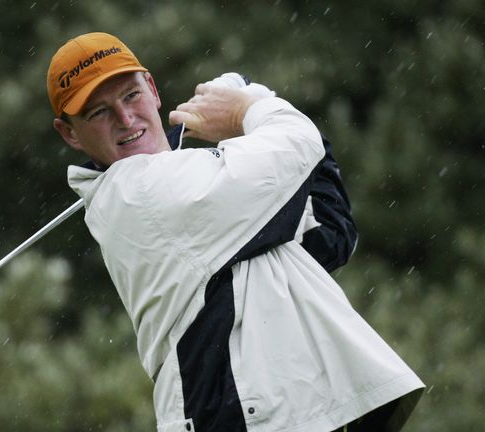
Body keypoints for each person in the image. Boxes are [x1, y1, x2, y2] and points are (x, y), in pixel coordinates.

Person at [46, 32, 423, 432]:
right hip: (239, 417)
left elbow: (329, 232)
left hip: (292, 414)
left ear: (153, 90)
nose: (125, 119)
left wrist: (249, 105)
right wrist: (248, 107)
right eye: (98, 113)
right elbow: (298, 146)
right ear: (69, 133)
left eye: (130, 95)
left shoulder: (209, 189)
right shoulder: (137, 192)